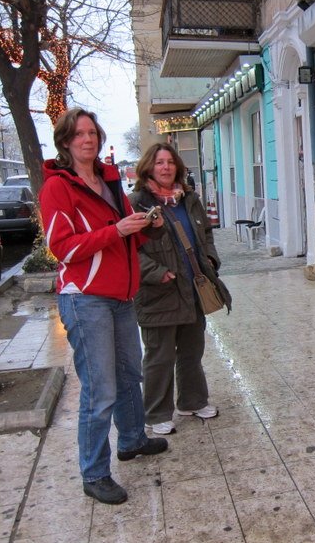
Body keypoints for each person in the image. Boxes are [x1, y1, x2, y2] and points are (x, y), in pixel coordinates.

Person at [39, 108, 169, 505]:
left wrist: (147, 226)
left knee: (129, 374)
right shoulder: (58, 187)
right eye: (79, 134)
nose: (87, 139)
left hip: (121, 296)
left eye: (92, 133)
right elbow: (61, 248)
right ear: (65, 142)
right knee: (100, 390)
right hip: (85, 299)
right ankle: (94, 473)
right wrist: (116, 230)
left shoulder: (109, 180)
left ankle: (131, 439)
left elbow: (127, 237)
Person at [129, 143, 231, 436]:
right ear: (148, 167)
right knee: (159, 356)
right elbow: (129, 249)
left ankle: (192, 401)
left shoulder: (189, 199)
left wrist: (210, 258)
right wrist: (157, 273)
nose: (166, 167)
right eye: (159, 162)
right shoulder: (136, 203)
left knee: (192, 351)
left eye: (170, 162)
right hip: (159, 291)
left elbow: (206, 233)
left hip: (192, 288)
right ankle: (155, 413)